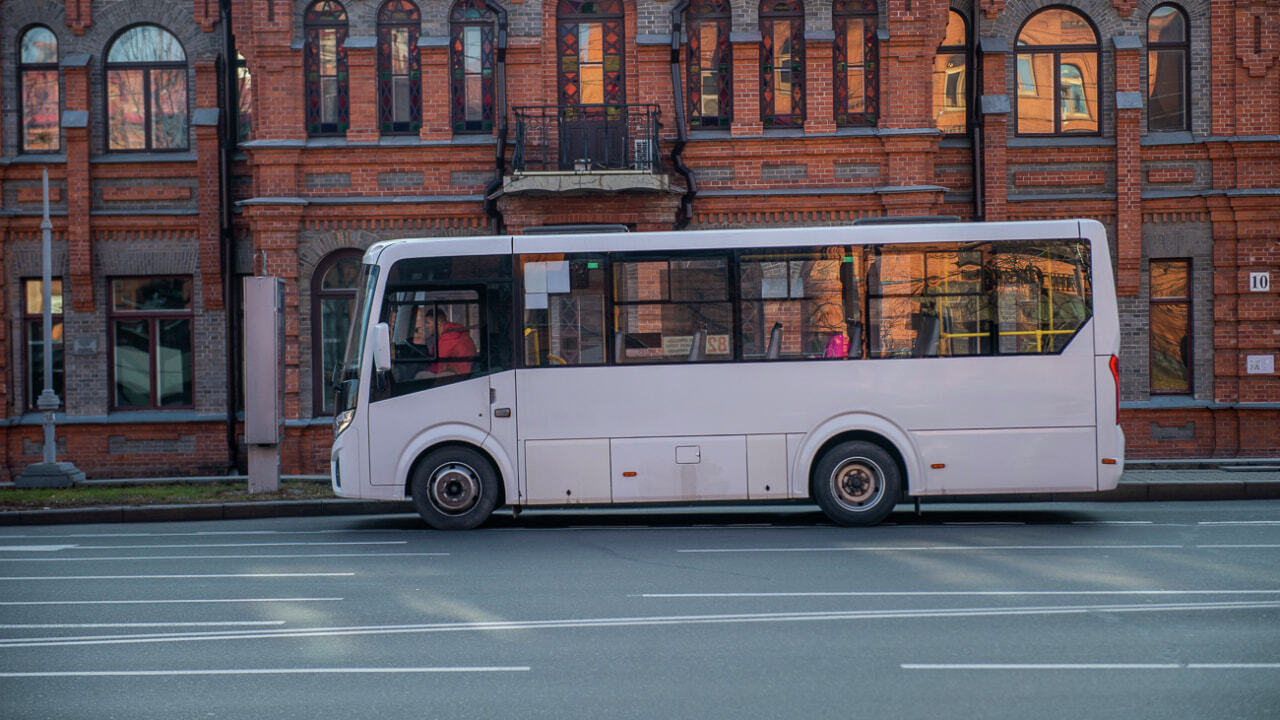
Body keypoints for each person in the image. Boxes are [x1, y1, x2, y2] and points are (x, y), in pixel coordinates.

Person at [419, 307, 476, 379]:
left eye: (428, 323)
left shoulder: (447, 340)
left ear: (438, 324)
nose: (426, 326)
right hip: (465, 375)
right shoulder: (456, 334)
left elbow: (438, 369)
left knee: (420, 376)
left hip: (460, 377)